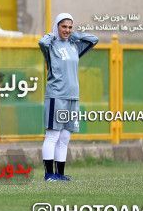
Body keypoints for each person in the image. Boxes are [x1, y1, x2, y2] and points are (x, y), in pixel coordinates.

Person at [38, 13, 98, 181]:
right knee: (53, 136)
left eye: (70, 27)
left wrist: (75, 35)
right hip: (56, 96)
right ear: (57, 26)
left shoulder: (74, 46)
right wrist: (53, 34)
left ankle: (60, 174)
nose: (67, 30)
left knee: (65, 137)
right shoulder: (51, 45)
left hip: (73, 97)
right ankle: (49, 174)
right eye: (63, 26)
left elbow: (93, 39)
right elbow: (42, 42)